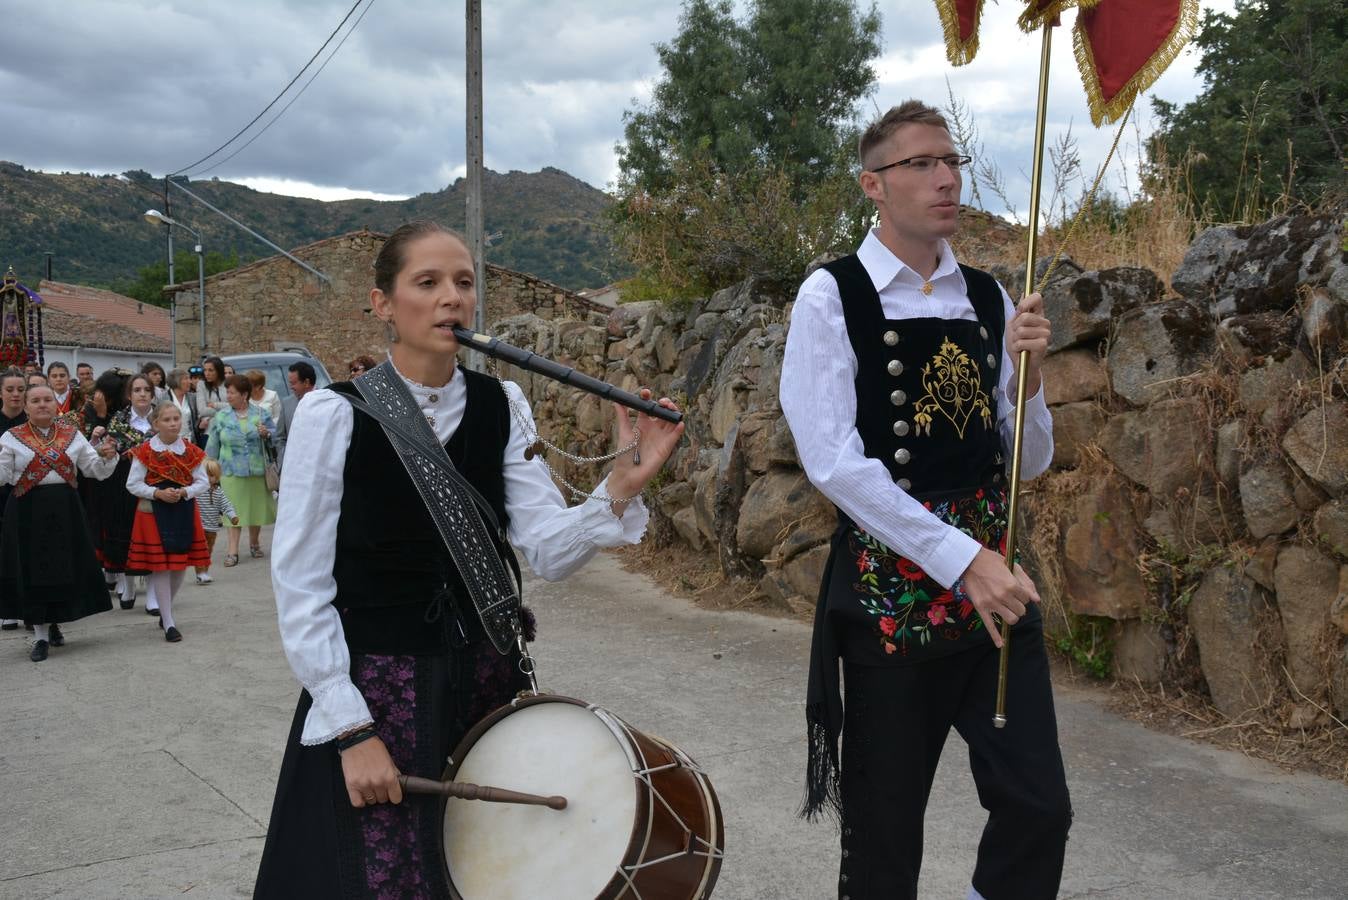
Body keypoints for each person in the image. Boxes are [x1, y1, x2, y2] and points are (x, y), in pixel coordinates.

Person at [252, 221, 684, 898]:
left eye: (463, 282)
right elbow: (301, 586)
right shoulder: (333, 415)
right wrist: (349, 728)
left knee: (491, 876)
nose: (451, 298)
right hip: (380, 698)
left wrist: (621, 487)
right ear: (383, 304)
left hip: (488, 686)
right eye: (427, 283)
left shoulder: (500, 404)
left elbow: (546, 550)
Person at [780, 101, 1069, 900]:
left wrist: (1032, 382)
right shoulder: (830, 296)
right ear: (873, 184)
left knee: (1038, 807)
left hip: (994, 593)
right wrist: (960, 558)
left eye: (953, 161)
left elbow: (1029, 463)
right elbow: (833, 462)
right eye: (921, 164)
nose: (946, 178)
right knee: (883, 837)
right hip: (892, 595)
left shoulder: (987, 296)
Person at [0, 383, 119, 661]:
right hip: (27, 511)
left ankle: (55, 624)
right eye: (36, 400)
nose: (42, 404)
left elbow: (94, 470)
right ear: (26, 407)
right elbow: (3, 475)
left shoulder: (72, 435)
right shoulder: (10, 438)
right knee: (34, 571)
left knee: (63, 567)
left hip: (66, 510)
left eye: (47, 400)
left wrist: (107, 456)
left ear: (56, 405)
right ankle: (40, 635)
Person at [125, 400, 210, 642]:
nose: (173, 424)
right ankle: (169, 622)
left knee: (180, 565)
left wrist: (184, 492)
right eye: (167, 420)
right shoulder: (144, 451)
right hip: (154, 512)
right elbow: (132, 484)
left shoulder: (191, 451)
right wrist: (157, 493)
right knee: (161, 566)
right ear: (155, 424)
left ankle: (166, 610)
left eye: (176, 419)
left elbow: (202, 481)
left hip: (182, 509)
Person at [99, 373, 157, 610]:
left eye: (146, 390)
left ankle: (153, 595)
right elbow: (112, 449)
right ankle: (129, 586)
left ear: (153, 394)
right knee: (127, 534)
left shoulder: (162, 417)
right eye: (137, 390)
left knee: (153, 538)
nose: (142, 394)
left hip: (155, 483)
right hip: (123, 483)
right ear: (129, 394)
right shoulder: (118, 420)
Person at [205, 373, 276, 566]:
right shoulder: (221, 416)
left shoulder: (261, 414)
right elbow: (212, 447)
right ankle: (232, 551)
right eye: (227, 392)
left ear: (244, 395)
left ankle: (254, 543)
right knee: (232, 511)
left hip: (256, 471)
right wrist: (210, 470)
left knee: (254, 510)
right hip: (230, 472)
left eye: (231, 392)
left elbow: (276, 436)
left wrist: (267, 433)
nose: (228, 396)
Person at [0, 367, 26, 630]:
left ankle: (30, 607)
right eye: (10, 390)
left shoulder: (33, 424)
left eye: (20, 390)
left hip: (25, 495)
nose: (16, 395)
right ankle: (8, 608)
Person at [194, 458, 238, 585]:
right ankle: (200, 573)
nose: (208, 478)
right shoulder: (197, 490)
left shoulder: (219, 493)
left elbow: (226, 505)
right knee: (199, 551)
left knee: (208, 551)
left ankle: (204, 572)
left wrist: (233, 516)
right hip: (198, 528)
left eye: (212, 475)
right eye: (205, 475)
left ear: (217, 477)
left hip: (212, 529)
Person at [273, 361, 316, 470]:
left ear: (306, 382)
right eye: (290, 383)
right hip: (292, 468)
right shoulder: (287, 403)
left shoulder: (327, 402)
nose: (290, 387)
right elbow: (280, 437)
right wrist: (284, 457)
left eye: (293, 383)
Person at [195, 356, 228, 436]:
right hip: (209, 431)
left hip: (227, 430)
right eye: (205, 370)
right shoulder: (201, 385)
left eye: (211, 370)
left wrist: (215, 405)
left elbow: (234, 406)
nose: (207, 373)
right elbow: (202, 410)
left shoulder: (228, 384)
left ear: (219, 371)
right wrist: (225, 410)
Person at [166, 368, 201, 444]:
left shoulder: (193, 398)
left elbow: (196, 420)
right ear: (176, 381)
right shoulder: (164, 398)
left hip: (189, 442)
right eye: (186, 379)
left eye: (189, 378)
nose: (190, 382)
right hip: (170, 442)